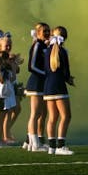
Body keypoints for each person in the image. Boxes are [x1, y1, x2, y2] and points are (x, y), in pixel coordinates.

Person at [43, 26, 75, 155]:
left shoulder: (47, 51)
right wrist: (69, 80)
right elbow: (66, 71)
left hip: (48, 86)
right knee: (66, 116)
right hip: (59, 86)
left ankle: (51, 147)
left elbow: (46, 70)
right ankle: (60, 146)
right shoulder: (62, 51)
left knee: (52, 117)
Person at [25, 23, 50, 151]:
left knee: (40, 113)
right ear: (38, 32)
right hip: (35, 83)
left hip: (42, 84)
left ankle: (30, 142)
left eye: (48, 31)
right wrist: (46, 74)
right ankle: (35, 144)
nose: (47, 33)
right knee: (35, 114)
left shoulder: (44, 45)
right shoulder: (37, 45)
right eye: (44, 31)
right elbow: (31, 66)